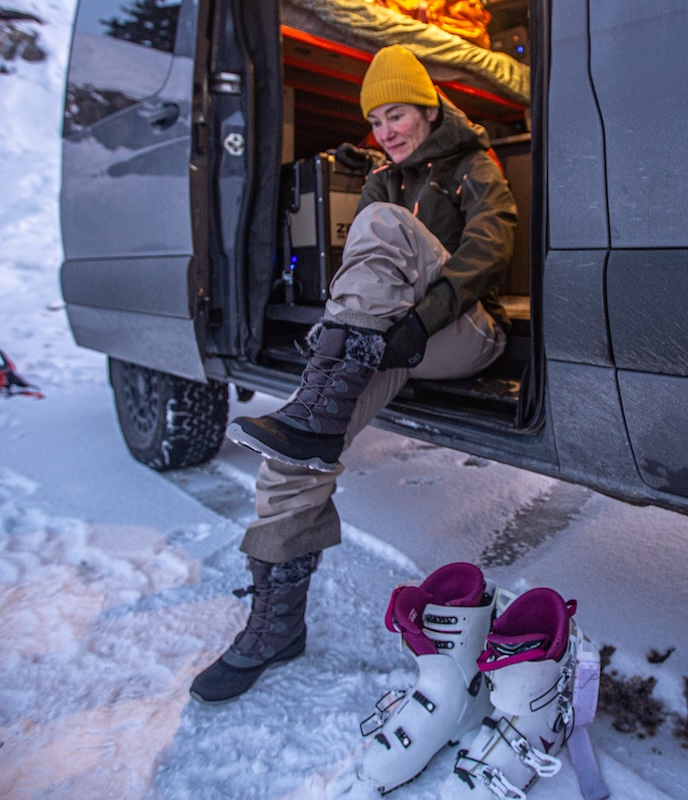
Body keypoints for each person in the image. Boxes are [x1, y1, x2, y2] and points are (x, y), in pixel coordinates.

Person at [190, 44, 516, 704]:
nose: (385, 132)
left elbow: (494, 244)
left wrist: (422, 321)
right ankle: (276, 623)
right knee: (292, 457)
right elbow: (358, 277)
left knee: (382, 223)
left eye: (396, 115)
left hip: (461, 333)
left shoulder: (472, 164)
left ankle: (316, 405)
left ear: (427, 108)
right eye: (376, 122)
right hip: (389, 343)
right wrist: (354, 335)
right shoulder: (380, 179)